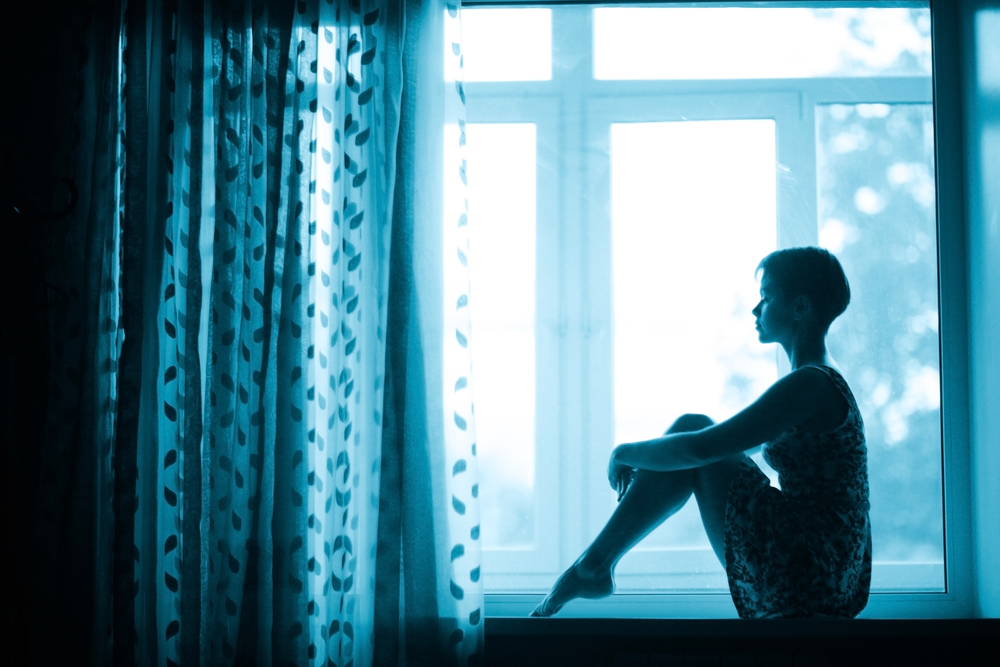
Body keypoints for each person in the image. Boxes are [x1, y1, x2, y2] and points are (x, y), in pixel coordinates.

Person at [531, 246, 871, 619]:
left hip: (813, 567)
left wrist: (623, 452)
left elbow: (701, 448)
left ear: (800, 308)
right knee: (695, 440)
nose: (756, 310)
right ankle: (593, 567)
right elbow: (727, 446)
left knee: (694, 429)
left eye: (766, 297)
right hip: (831, 573)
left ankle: (592, 567)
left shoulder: (810, 383)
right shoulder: (816, 378)